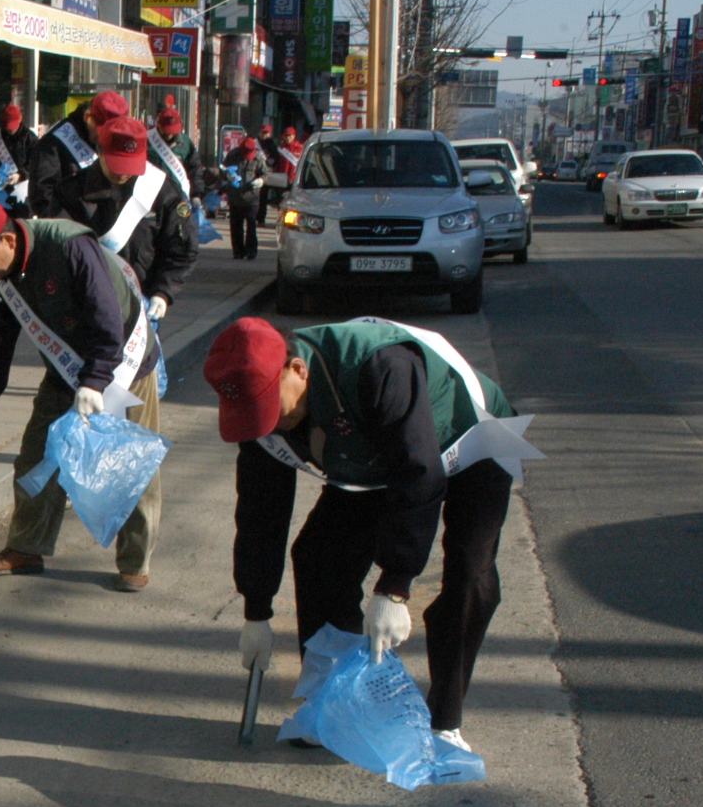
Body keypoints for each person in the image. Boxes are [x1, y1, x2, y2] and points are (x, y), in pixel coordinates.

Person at [204, 316, 516, 750]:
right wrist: (256, 609)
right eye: (255, 417)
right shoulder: (259, 419)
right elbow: (261, 508)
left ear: (298, 369)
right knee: (318, 557)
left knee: (470, 574)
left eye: (274, 409)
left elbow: (419, 473)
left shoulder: (380, 367)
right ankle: (335, 705)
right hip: (374, 458)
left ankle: (446, 719)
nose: (271, 424)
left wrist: (395, 586)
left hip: (468, 439)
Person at [0, 198, 163, 592]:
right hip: (64, 372)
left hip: (123, 367)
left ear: (8, 240)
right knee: (35, 458)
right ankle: (25, 548)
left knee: (132, 467)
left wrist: (94, 382)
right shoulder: (4, 279)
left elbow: (108, 321)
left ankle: (135, 561)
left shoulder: (69, 247)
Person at [49, 117, 198, 329]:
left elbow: (182, 249)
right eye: (116, 165)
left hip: (141, 303)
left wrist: (163, 292)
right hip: (85, 306)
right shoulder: (70, 193)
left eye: (130, 165)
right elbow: (58, 248)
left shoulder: (162, 192)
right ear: (99, 151)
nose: (123, 173)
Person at [28, 89, 129, 216]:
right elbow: (42, 198)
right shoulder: (52, 145)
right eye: (102, 131)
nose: (107, 138)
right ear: (87, 117)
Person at [0, 103, 37, 217]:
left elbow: (36, 163)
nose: (10, 129)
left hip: (21, 186)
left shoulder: (30, 138)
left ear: (20, 119)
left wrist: (21, 174)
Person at [222, 134, 268, 260]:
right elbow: (223, 168)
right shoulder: (233, 155)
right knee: (236, 226)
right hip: (235, 197)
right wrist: (227, 175)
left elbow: (265, 173)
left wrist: (261, 180)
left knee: (251, 225)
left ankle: (251, 251)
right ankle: (238, 252)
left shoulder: (258, 157)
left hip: (252, 197)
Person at [152, 102, 198, 180]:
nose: (170, 134)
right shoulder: (149, 140)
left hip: (177, 190)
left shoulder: (185, 142)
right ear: (159, 125)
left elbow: (195, 168)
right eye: (166, 130)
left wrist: (197, 190)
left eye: (173, 130)